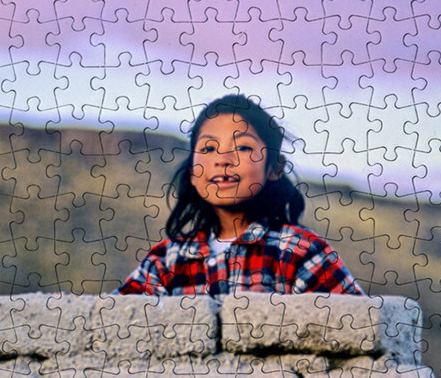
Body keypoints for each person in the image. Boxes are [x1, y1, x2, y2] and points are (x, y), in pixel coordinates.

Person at [116, 94, 364, 296]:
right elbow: (110, 325)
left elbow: (361, 328)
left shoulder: (300, 252)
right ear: (192, 170)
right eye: (209, 148)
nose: (223, 160)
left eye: (243, 147)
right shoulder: (166, 262)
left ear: (274, 169)